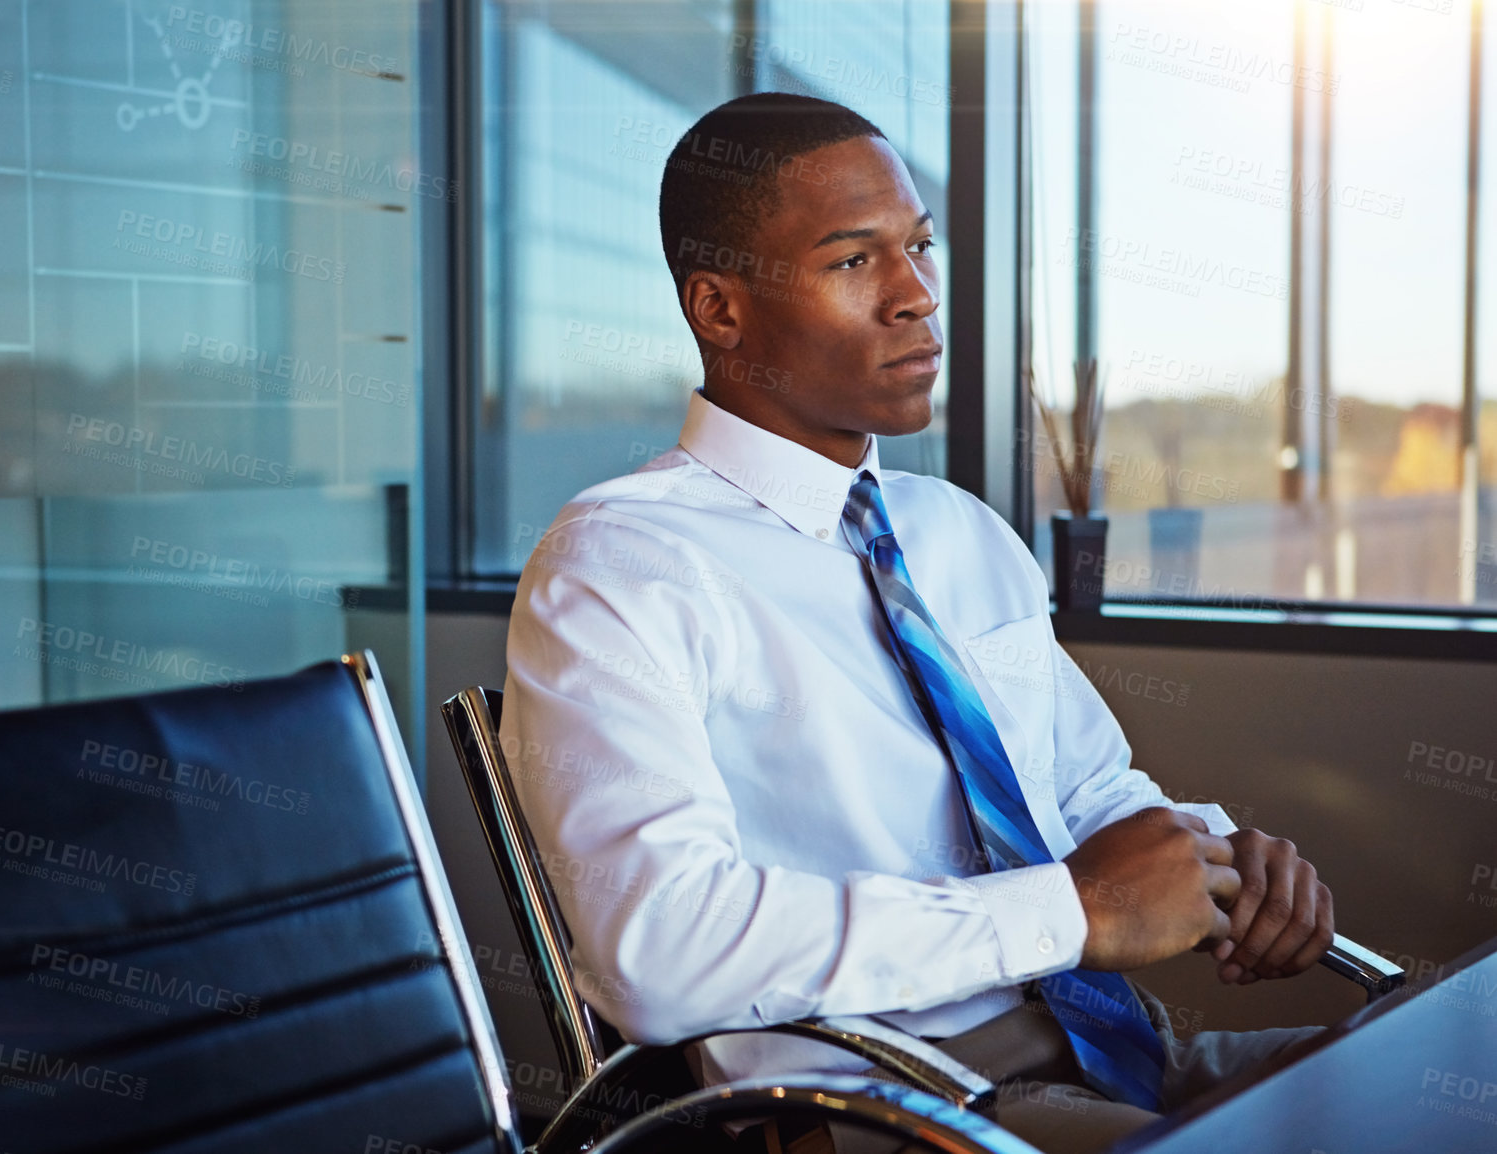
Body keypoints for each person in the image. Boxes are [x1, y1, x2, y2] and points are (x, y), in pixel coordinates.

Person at [499, 93, 1334, 1154]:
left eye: (921, 248)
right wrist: (1071, 910)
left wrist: (1223, 861)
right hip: (883, 1108)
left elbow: (1081, 788)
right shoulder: (620, 566)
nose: (917, 296)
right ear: (719, 309)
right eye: (854, 261)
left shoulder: (957, 531)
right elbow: (660, 950)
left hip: (1113, 1049)